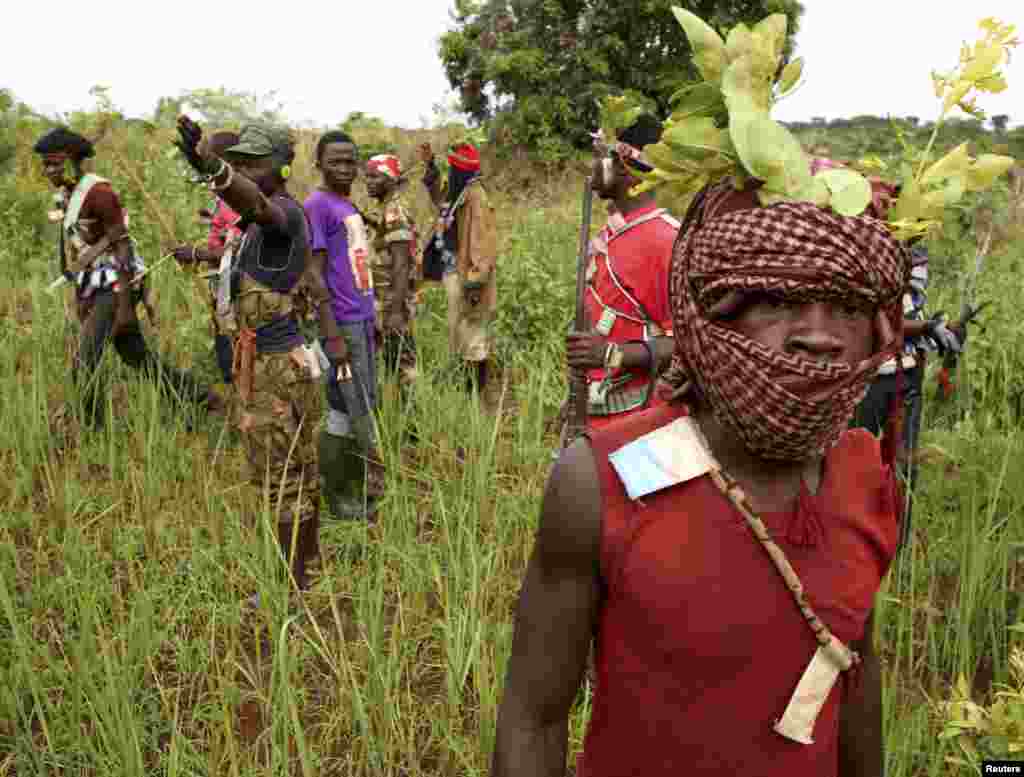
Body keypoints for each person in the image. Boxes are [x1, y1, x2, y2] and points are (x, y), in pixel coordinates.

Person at [492, 178, 908, 776]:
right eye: (776, 300)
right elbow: (534, 717)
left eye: (846, 307)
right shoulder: (600, 479)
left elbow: (854, 681)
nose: (818, 336)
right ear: (713, 315)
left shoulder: (864, 477)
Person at [174, 117, 341, 593]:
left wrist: (216, 168)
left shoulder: (283, 214)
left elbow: (257, 203)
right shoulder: (253, 222)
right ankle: (306, 570)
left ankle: (291, 586)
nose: (245, 169)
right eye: (239, 162)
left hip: (274, 370)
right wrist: (202, 164)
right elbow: (242, 200)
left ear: (282, 168)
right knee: (298, 471)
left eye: (255, 162)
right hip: (276, 364)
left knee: (282, 479)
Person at [35, 126, 215, 429]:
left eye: (54, 162)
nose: (47, 170)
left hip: (117, 284)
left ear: (73, 160)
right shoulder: (67, 193)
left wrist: (125, 306)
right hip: (94, 284)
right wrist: (82, 297)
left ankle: (93, 430)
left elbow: (122, 248)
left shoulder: (100, 193)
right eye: (45, 164)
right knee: (136, 356)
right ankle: (197, 396)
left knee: (85, 362)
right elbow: (78, 250)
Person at [564, 114, 679, 435]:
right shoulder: (613, 233)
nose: (599, 166)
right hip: (594, 412)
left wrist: (612, 355)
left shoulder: (665, 241)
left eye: (610, 159)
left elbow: (691, 343)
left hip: (638, 422)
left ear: (628, 172)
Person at [851, 244, 962, 547]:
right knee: (856, 462)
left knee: (906, 465)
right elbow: (881, 318)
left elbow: (911, 305)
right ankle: (854, 539)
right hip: (871, 381)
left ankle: (896, 544)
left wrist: (941, 331)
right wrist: (928, 327)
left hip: (907, 379)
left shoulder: (917, 250)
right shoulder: (869, 250)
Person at [303, 131, 385, 522]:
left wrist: (375, 314)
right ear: (318, 163)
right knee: (351, 408)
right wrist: (332, 334)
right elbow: (315, 275)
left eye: (351, 161)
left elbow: (355, 264)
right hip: (343, 324)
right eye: (335, 161)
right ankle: (339, 499)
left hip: (362, 319)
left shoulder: (345, 203)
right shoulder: (317, 205)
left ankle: (351, 491)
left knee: (357, 404)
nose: (345, 168)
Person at [419, 142, 498, 396]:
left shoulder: (476, 197)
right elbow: (440, 201)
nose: (450, 176)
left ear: (461, 172)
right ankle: (464, 385)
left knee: (473, 332)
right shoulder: (457, 192)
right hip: (454, 270)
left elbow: (481, 243)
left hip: (468, 275)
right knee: (457, 329)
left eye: (452, 170)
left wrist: (475, 283)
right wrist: (430, 166)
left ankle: (475, 391)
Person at [171, 130, 244, 386]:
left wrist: (195, 253)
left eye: (209, 159)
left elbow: (236, 250)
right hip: (225, 286)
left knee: (235, 357)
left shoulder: (236, 198)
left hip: (237, 289)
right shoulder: (224, 193)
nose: (204, 165)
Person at [364, 154, 420, 392]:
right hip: (383, 300)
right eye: (366, 176)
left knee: (402, 366)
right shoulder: (385, 209)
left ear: (389, 179)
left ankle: (411, 424)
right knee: (389, 362)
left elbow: (401, 263)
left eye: (374, 176)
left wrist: (396, 311)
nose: (368, 181)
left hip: (391, 302)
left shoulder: (394, 212)